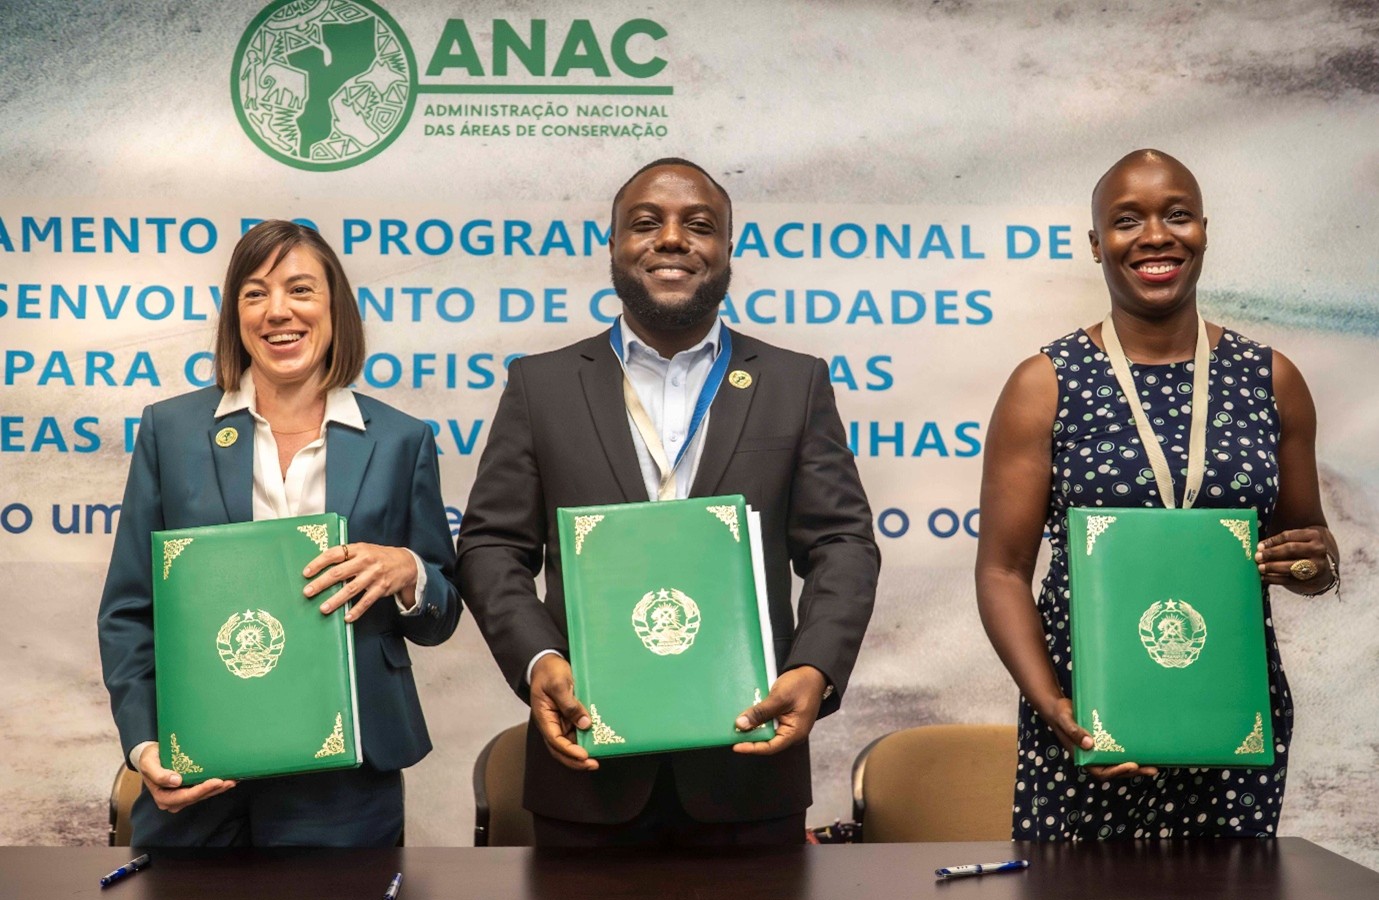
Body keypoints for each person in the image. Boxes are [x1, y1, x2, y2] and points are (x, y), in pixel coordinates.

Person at [455, 158, 880, 846]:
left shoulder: (793, 383)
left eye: (699, 225)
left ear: (727, 248)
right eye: (646, 223)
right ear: (614, 247)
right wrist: (538, 660)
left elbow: (842, 544)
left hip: (748, 770)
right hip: (587, 768)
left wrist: (814, 666)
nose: (673, 239)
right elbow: (490, 546)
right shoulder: (541, 386)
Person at [975, 149, 1340, 841]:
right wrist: (1053, 704)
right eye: (1125, 220)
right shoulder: (1044, 382)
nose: (1154, 235)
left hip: (1229, 720)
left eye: (1175, 215)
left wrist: (1313, 564)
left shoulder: (1270, 378)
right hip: (1086, 720)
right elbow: (1000, 570)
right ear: (1094, 244)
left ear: (1203, 229)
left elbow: (1308, 553)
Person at [98, 220, 460, 846]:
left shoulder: (403, 440)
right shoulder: (171, 432)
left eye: (300, 290)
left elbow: (440, 616)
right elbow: (129, 610)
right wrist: (144, 743)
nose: (278, 312)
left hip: (347, 783)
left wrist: (410, 572)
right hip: (201, 771)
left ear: (334, 307)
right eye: (255, 293)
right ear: (235, 315)